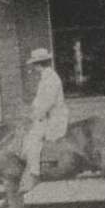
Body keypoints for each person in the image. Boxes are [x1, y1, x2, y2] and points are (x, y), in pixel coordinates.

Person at [19, 47, 69, 193]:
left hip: (55, 117)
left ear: (39, 64)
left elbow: (48, 102)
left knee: (33, 139)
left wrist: (37, 115)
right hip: (47, 115)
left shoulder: (51, 78)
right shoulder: (46, 77)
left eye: (35, 64)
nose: (34, 68)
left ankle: (34, 173)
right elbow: (39, 100)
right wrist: (33, 111)